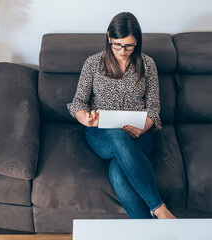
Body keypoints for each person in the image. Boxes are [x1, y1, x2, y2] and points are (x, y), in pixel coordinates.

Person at [67, 12, 176, 219]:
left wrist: (142, 128)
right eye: (117, 45)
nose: (122, 51)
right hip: (102, 134)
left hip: (141, 133)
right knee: (118, 136)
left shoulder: (148, 65)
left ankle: (149, 233)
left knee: (118, 173)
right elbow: (78, 103)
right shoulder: (93, 63)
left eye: (129, 45)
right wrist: (86, 118)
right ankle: (159, 208)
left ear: (137, 42)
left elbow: (154, 108)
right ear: (109, 37)